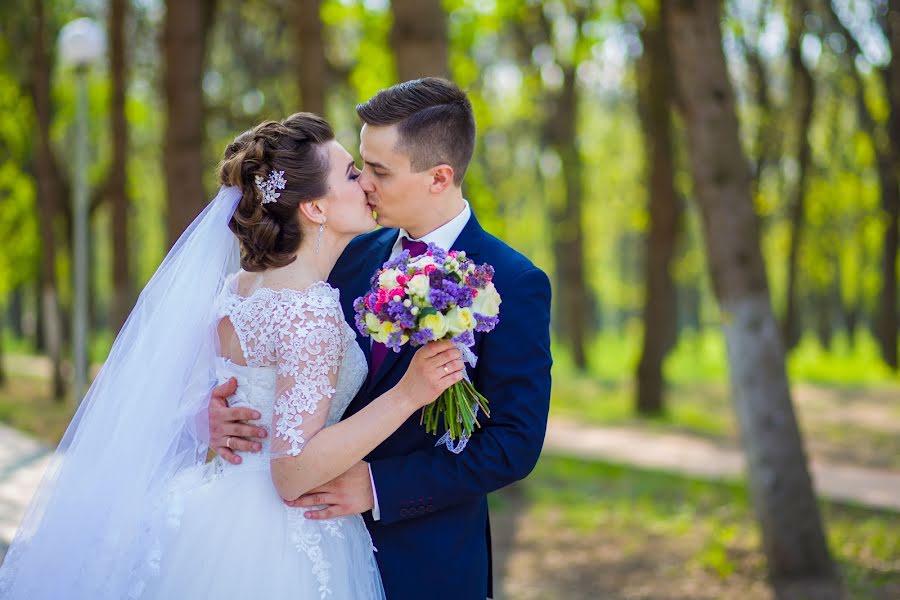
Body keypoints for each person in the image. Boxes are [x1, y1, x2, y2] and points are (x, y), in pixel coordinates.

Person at [0, 112, 464, 600]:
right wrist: (408, 395)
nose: (366, 183)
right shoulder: (309, 311)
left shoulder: (236, 291)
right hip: (281, 544)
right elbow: (291, 473)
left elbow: (206, 393)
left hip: (212, 511)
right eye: (352, 173)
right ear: (315, 209)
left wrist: (207, 417)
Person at [209, 78, 553, 600]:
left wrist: (379, 487)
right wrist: (220, 412)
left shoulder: (512, 281)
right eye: (361, 165)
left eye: (379, 171)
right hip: (298, 543)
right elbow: (277, 357)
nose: (364, 183)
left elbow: (514, 443)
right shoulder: (343, 254)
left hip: (426, 556)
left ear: (439, 177)